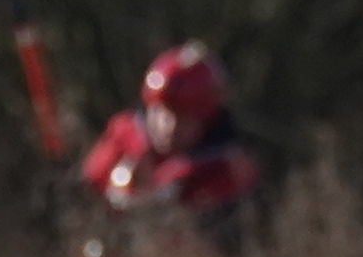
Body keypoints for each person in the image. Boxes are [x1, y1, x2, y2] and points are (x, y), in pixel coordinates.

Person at [79, 42, 261, 242]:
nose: (169, 127)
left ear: (206, 119)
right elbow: (87, 187)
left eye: (183, 117)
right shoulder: (125, 134)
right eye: (161, 112)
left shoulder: (227, 165)